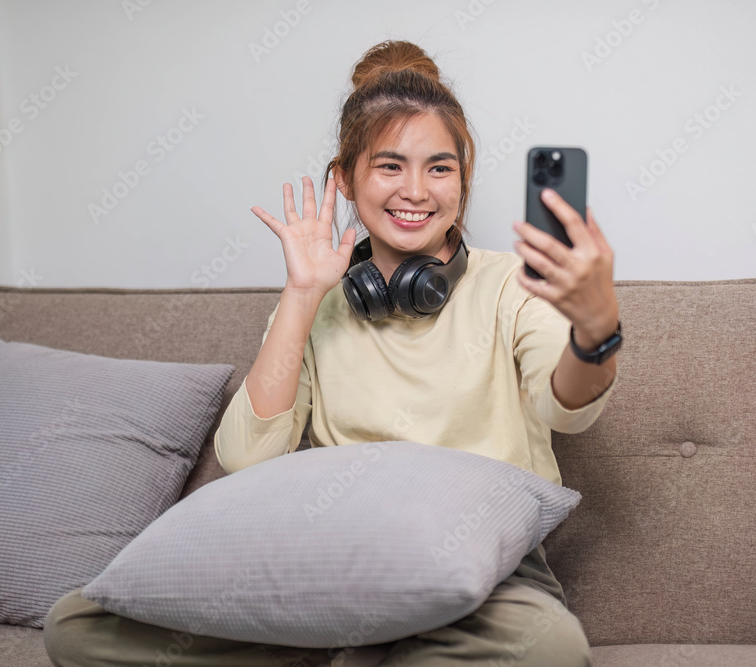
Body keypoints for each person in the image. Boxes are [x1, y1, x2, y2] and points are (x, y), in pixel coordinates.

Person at [43, 40, 619, 667]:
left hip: (483, 572)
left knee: (550, 649)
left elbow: (567, 408)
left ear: (463, 178)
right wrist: (301, 295)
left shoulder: (512, 285)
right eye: (390, 166)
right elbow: (246, 456)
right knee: (77, 626)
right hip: (336, 561)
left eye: (439, 169)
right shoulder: (319, 302)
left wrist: (594, 329)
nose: (416, 191)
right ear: (344, 178)